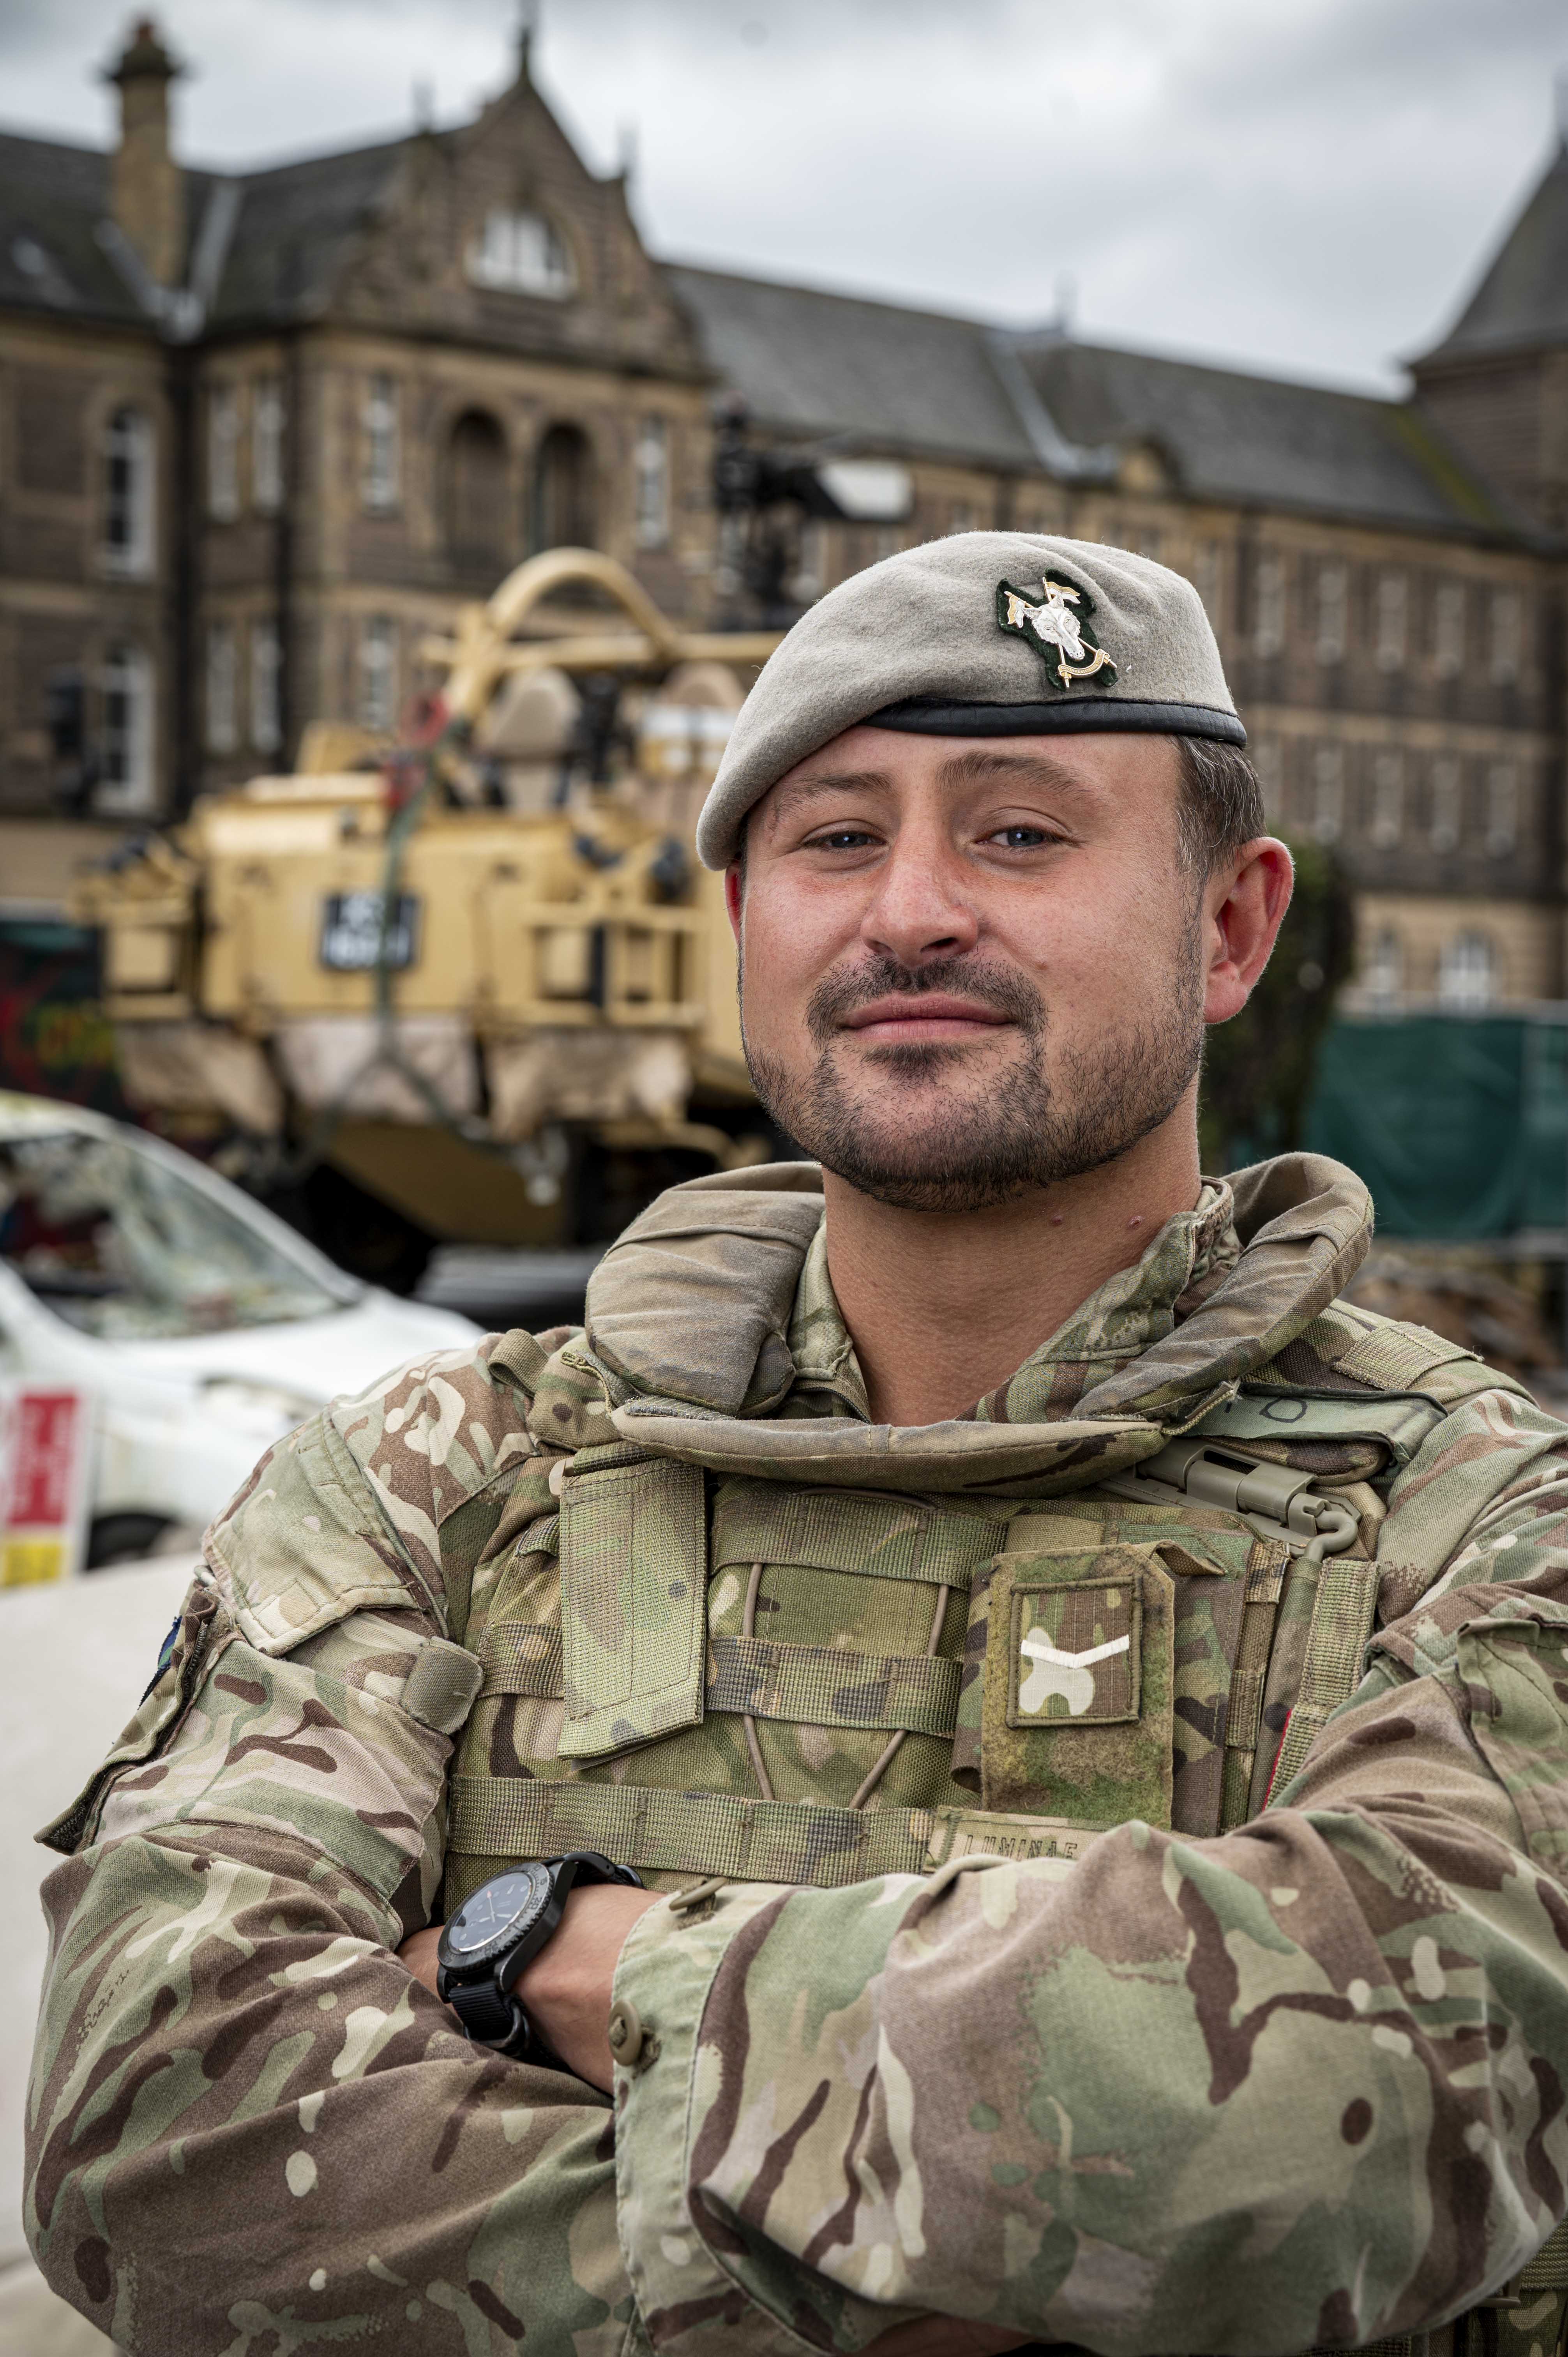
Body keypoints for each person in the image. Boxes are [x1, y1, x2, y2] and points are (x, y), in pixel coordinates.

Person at [26, 533, 1568, 2357]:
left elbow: (1386, 2100)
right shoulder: (433, 1476)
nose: (908, 910)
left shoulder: (1480, 1514)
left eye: (1017, 832)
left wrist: (568, 1972)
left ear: (1227, 924)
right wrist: (1004, 2261)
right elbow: (160, 2121)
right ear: (744, 922)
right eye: (834, 839)